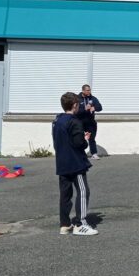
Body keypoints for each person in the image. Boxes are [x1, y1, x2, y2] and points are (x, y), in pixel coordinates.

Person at [52, 92, 97, 235]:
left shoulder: (57, 120)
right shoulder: (75, 121)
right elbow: (79, 143)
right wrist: (85, 139)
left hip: (62, 162)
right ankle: (80, 224)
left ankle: (64, 225)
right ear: (75, 105)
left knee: (65, 195)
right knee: (83, 191)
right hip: (76, 163)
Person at [76, 84, 103, 160]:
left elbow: (100, 107)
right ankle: (79, 154)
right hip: (80, 122)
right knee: (79, 138)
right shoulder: (77, 99)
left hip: (90, 122)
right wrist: (84, 108)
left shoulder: (93, 98)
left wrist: (94, 107)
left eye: (90, 90)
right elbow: (75, 111)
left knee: (91, 138)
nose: (89, 91)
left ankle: (94, 154)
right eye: (87, 90)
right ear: (83, 91)